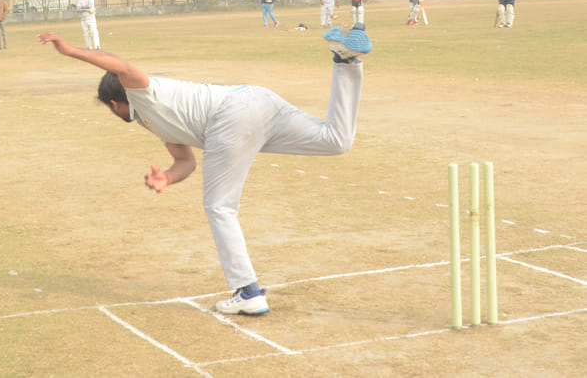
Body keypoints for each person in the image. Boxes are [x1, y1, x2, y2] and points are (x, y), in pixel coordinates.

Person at [37, 25, 372, 315]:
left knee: (218, 206)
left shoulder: (142, 91)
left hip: (231, 115)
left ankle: (248, 292)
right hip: (257, 101)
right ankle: (345, 61)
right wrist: (166, 177)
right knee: (335, 141)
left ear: (114, 103)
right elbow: (186, 161)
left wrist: (67, 50)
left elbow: (119, 64)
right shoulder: (151, 119)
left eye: (110, 109)